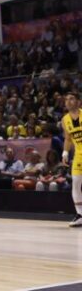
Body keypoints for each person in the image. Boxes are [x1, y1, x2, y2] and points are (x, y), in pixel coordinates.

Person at [61, 92, 82, 227]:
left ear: (78, 102)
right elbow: (68, 138)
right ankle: (80, 214)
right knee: (75, 182)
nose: (68, 101)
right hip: (79, 154)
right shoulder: (64, 119)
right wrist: (65, 153)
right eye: (66, 99)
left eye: (71, 99)